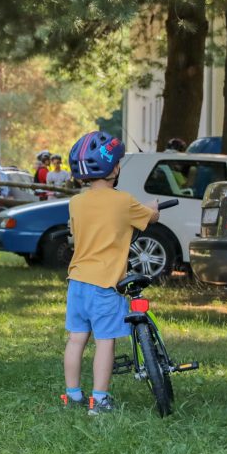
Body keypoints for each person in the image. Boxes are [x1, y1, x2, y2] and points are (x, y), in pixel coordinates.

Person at [61, 130, 160, 415]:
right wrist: (152, 209)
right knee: (105, 342)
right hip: (105, 284)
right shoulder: (123, 201)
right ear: (114, 167)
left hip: (77, 282)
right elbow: (149, 217)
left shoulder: (75, 202)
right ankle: (100, 400)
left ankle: (72, 395)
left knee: (76, 339)